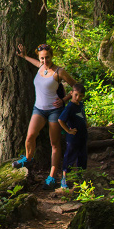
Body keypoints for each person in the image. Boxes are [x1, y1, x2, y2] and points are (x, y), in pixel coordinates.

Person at [11, 43, 77, 190]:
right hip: (39, 109)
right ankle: (28, 159)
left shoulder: (59, 72)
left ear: (52, 56)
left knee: (55, 144)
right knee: (30, 137)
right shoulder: (41, 66)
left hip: (54, 111)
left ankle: (52, 177)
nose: (45, 61)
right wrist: (24, 56)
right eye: (42, 58)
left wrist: (64, 100)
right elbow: (35, 63)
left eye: (47, 58)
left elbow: (76, 87)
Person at [58, 83, 88, 188]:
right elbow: (61, 120)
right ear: (71, 93)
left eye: (80, 96)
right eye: (76, 95)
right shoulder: (70, 107)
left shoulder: (81, 105)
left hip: (82, 136)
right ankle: (64, 179)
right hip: (73, 138)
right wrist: (68, 131)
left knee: (82, 156)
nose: (78, 97)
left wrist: (85, 123)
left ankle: (80, 177)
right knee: (70, 156)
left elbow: (83, 116)